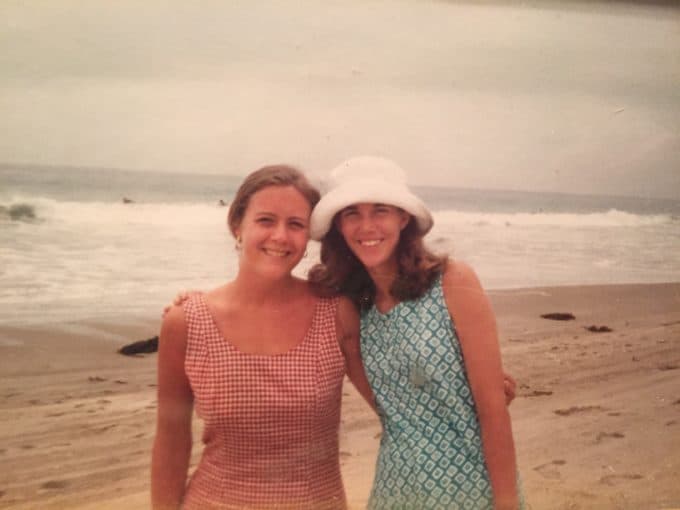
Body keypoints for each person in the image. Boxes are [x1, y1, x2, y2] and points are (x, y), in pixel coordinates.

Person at [151, 164, 373, 510]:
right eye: (266, 220)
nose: (280, 236)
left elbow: (395, 406)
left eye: (296, 224)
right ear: (236, 226)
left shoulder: (336, 312)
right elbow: (171, 440)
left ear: (309, 236)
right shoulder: (186, 321)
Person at [307, 156, 523, 509]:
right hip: (397, 484)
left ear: (403, 217)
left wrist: (507, 504)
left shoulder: (453, 281)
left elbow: (493, 412)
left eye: (380, 210)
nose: (367, 227)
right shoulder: (350, 307)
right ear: (339, 227)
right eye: (352, 214)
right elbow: (389, 412)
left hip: (471, 481)